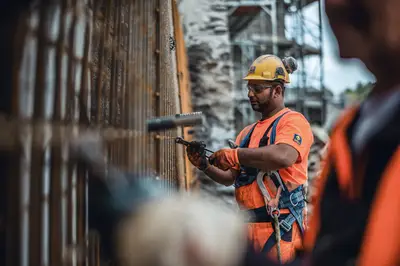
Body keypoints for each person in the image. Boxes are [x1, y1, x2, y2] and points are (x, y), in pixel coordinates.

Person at [186, 55, 314, 263]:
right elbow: (231, 177)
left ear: (278, 90)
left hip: (281, 229)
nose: (250, 94)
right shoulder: (247, 133)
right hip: (249, 230)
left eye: (257, 89)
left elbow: (283, 156)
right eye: (249, 88)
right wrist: (205, 165)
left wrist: (235, 154)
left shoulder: (293, 122)